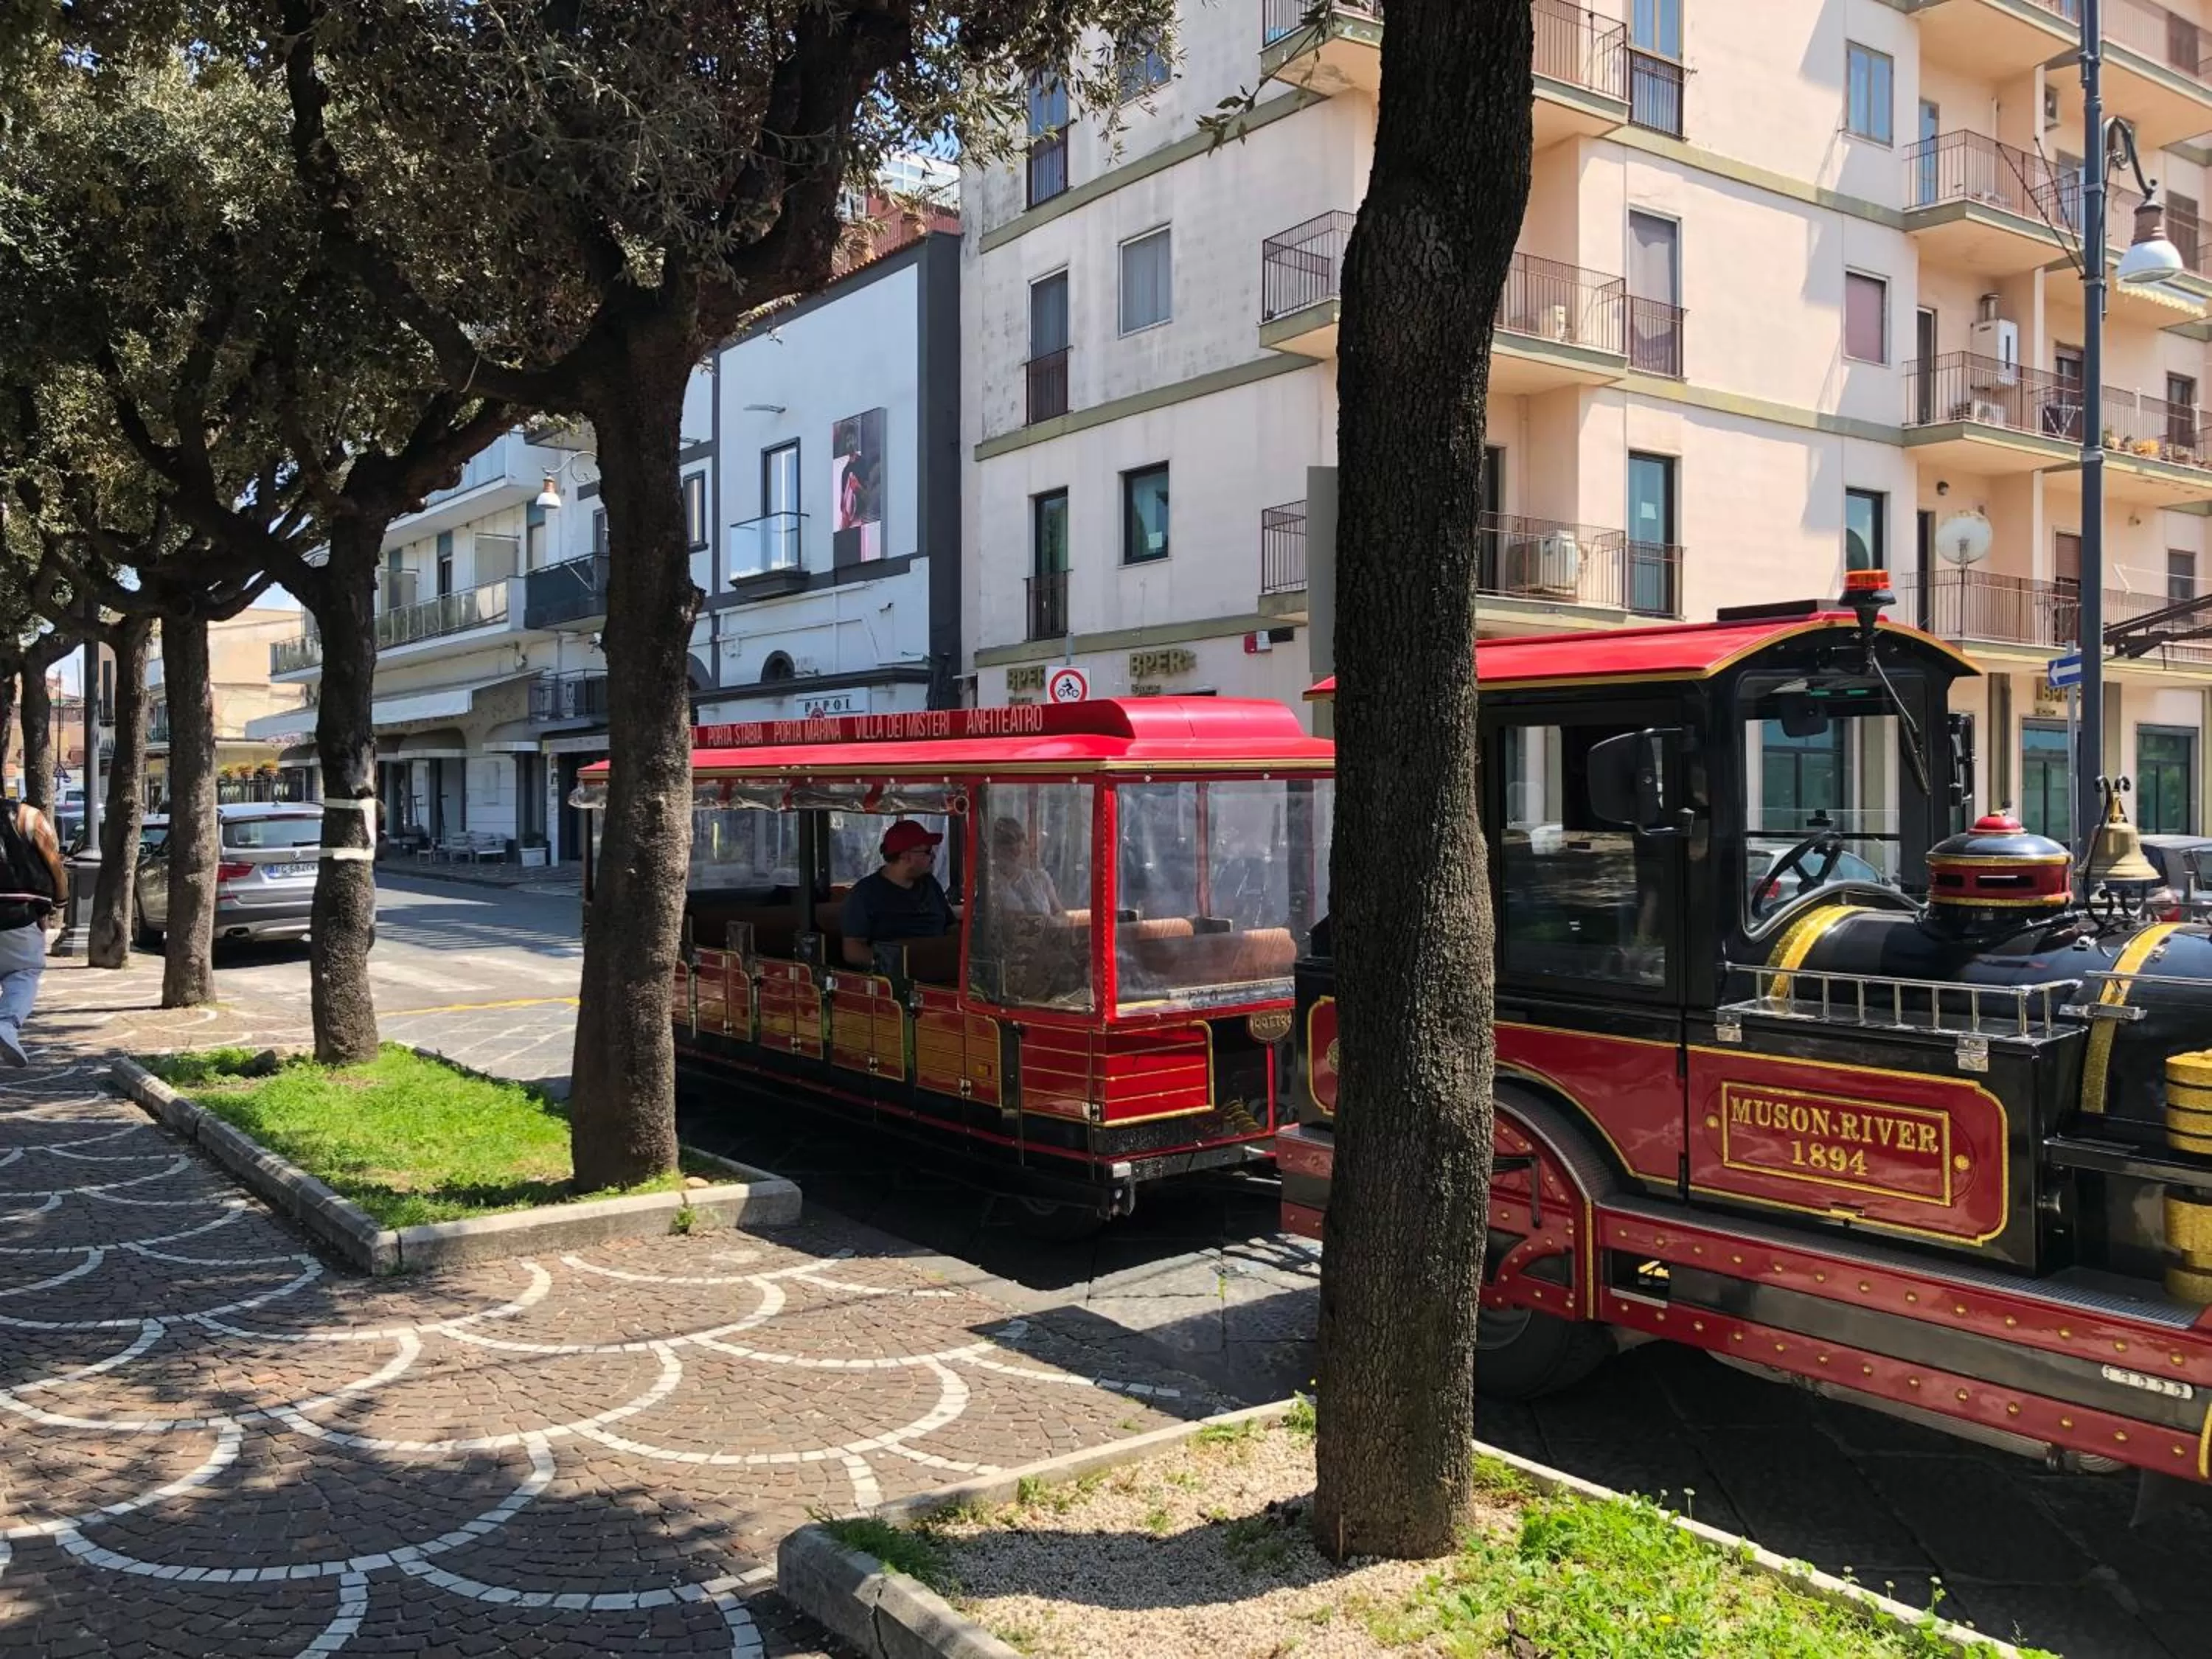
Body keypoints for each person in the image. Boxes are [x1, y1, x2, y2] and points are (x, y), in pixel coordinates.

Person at [0, 798, 68, 1067]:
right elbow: (54, 865)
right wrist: (58, 902)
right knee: (24, 972)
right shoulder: (28, 817)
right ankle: (6, 1023)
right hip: (19, 911)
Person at [840, 819, 954, 967]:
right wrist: (891, 965)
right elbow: (852, 950)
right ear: (906, 856)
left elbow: (951, 926)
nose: (933, 857)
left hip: (943, 968)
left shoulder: (930, 885)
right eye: (927, 852)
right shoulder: (865, 894)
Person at [988, 817, 1062, 916]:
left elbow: (1060, 913)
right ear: (994, 849)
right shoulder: (989, 883)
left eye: (1020, 839)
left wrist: (1050, 923)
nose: (1015, 847)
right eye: (1006, 842)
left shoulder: (1039, 878)